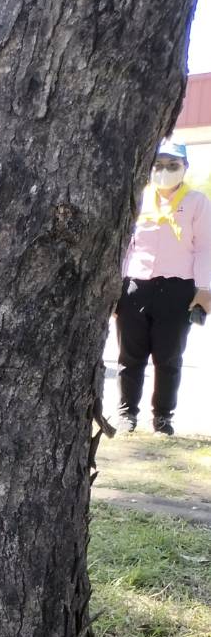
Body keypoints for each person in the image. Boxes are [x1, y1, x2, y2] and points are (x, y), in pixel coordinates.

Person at [116, 138, 210, 436]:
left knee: (168, 357)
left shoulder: (196, 202)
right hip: (135, 286)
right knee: (130, 356)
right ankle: (126, 413)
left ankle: (163, 418)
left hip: (177, 289)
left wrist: (204, 291)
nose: (165, 171)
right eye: (158, 165)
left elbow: (206, 248)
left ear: (185, 167)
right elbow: (124, 244)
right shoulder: (139, 196)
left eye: (173, 165)